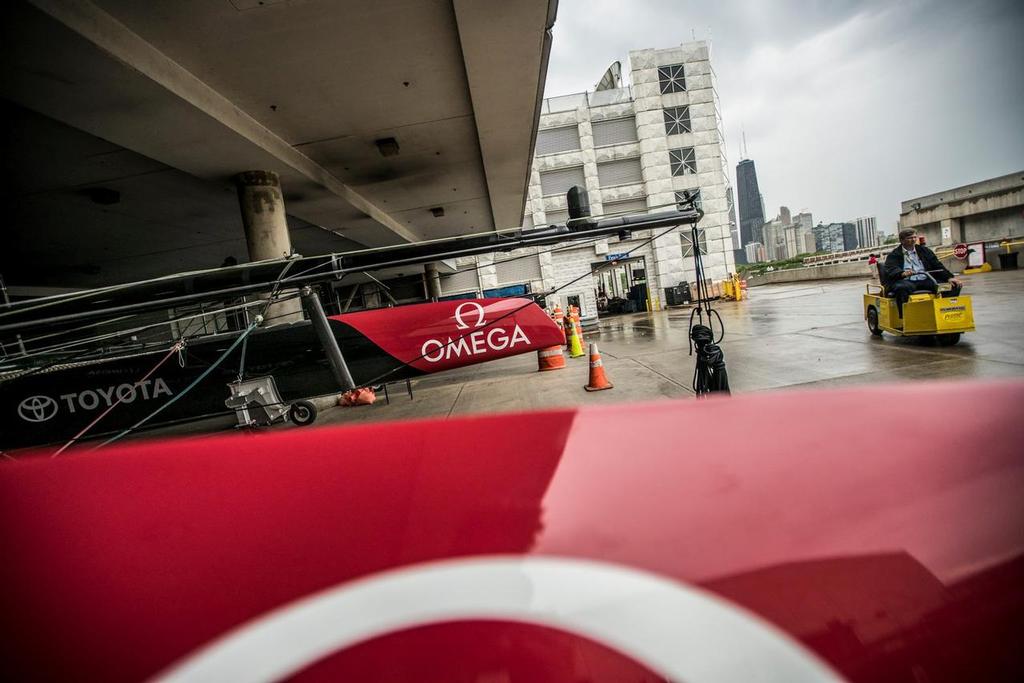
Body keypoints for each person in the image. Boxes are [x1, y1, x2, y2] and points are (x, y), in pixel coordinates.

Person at [884, 229, 962, 319]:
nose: (913, 240)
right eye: (909, 238)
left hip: (926, 279)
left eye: (914, 237)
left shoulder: (924, 250)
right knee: (901, 289)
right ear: (902, 240)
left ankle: (946, 315)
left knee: (952, 286)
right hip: (906, 281)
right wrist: (902, 273)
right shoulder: (894, 254)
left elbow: (937, 265)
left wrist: (949, 277)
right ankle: (905, 318)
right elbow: (891, 268)